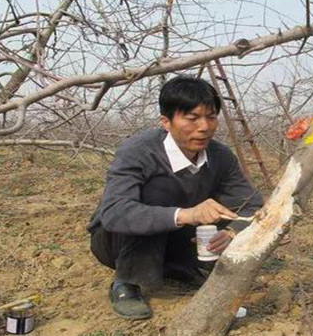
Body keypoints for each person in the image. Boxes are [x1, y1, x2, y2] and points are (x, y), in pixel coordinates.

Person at [88, 75, 263, 320]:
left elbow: (252, 204)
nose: (204, 127)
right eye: (192, 118)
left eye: (211, 117)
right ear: (166, 122)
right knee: (158, 194)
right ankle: (127, 283)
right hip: (115, 243)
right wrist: (186, 214)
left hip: (176, 239)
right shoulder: (138, 151)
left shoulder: (220, 156)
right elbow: (115, 212)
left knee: (222, 212)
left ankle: (180, 269)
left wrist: (232, 232)